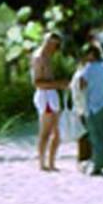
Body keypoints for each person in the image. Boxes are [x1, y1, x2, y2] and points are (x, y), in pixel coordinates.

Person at [74, 34, 103, 176]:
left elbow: (81, 86)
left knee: (97, 138)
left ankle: (98, 166)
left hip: (96, 107)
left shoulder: (88, 68)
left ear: (91, 55)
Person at [30, 28, 64, 171]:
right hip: (45, 95)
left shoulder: (48, 57)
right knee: (46, 131)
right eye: (50, 44)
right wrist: (59, 84)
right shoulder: (39, 58)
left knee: (57, 131)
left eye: (55, 45)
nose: (52, 48)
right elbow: (37, 82)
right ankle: (42, 163)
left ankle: (51, 163)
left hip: (51, 93)